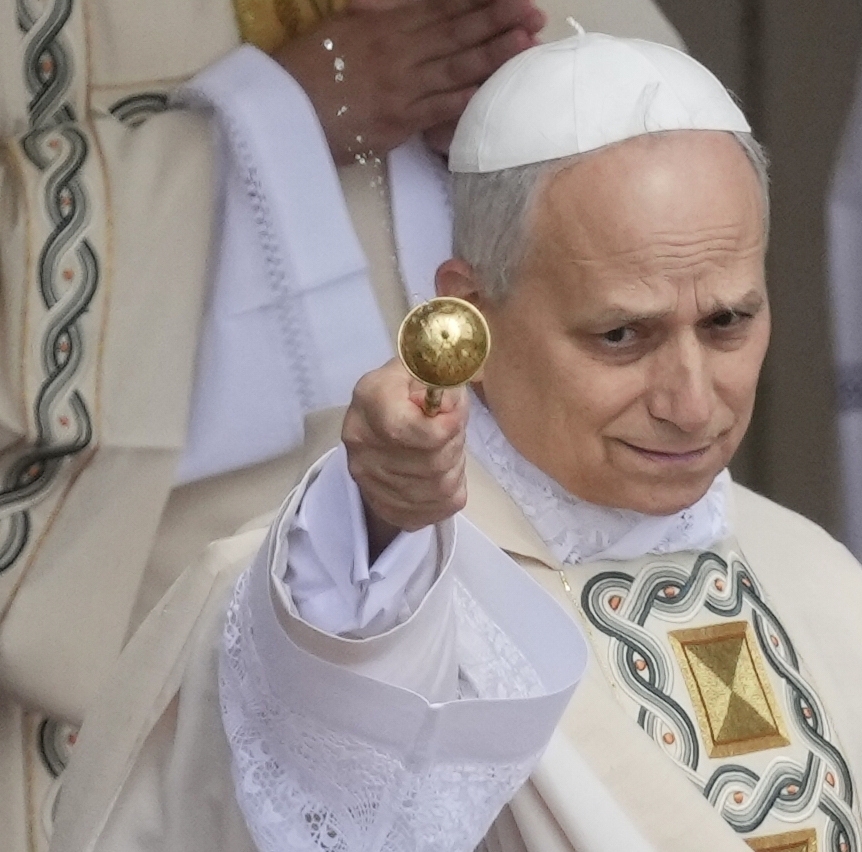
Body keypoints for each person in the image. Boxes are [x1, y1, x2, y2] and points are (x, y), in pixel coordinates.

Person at [47, 32, 862, 852]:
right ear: (468, 311)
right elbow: (328, 723)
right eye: (623, 335)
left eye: (729, 322)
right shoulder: (371, 585)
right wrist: (386, 517)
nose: (693, 402)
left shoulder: (812, 573)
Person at [0, 3, 680, 851]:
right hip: (154, 592)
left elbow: (690, 164)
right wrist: (278, 115)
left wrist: (546, 118)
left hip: (507, 585)